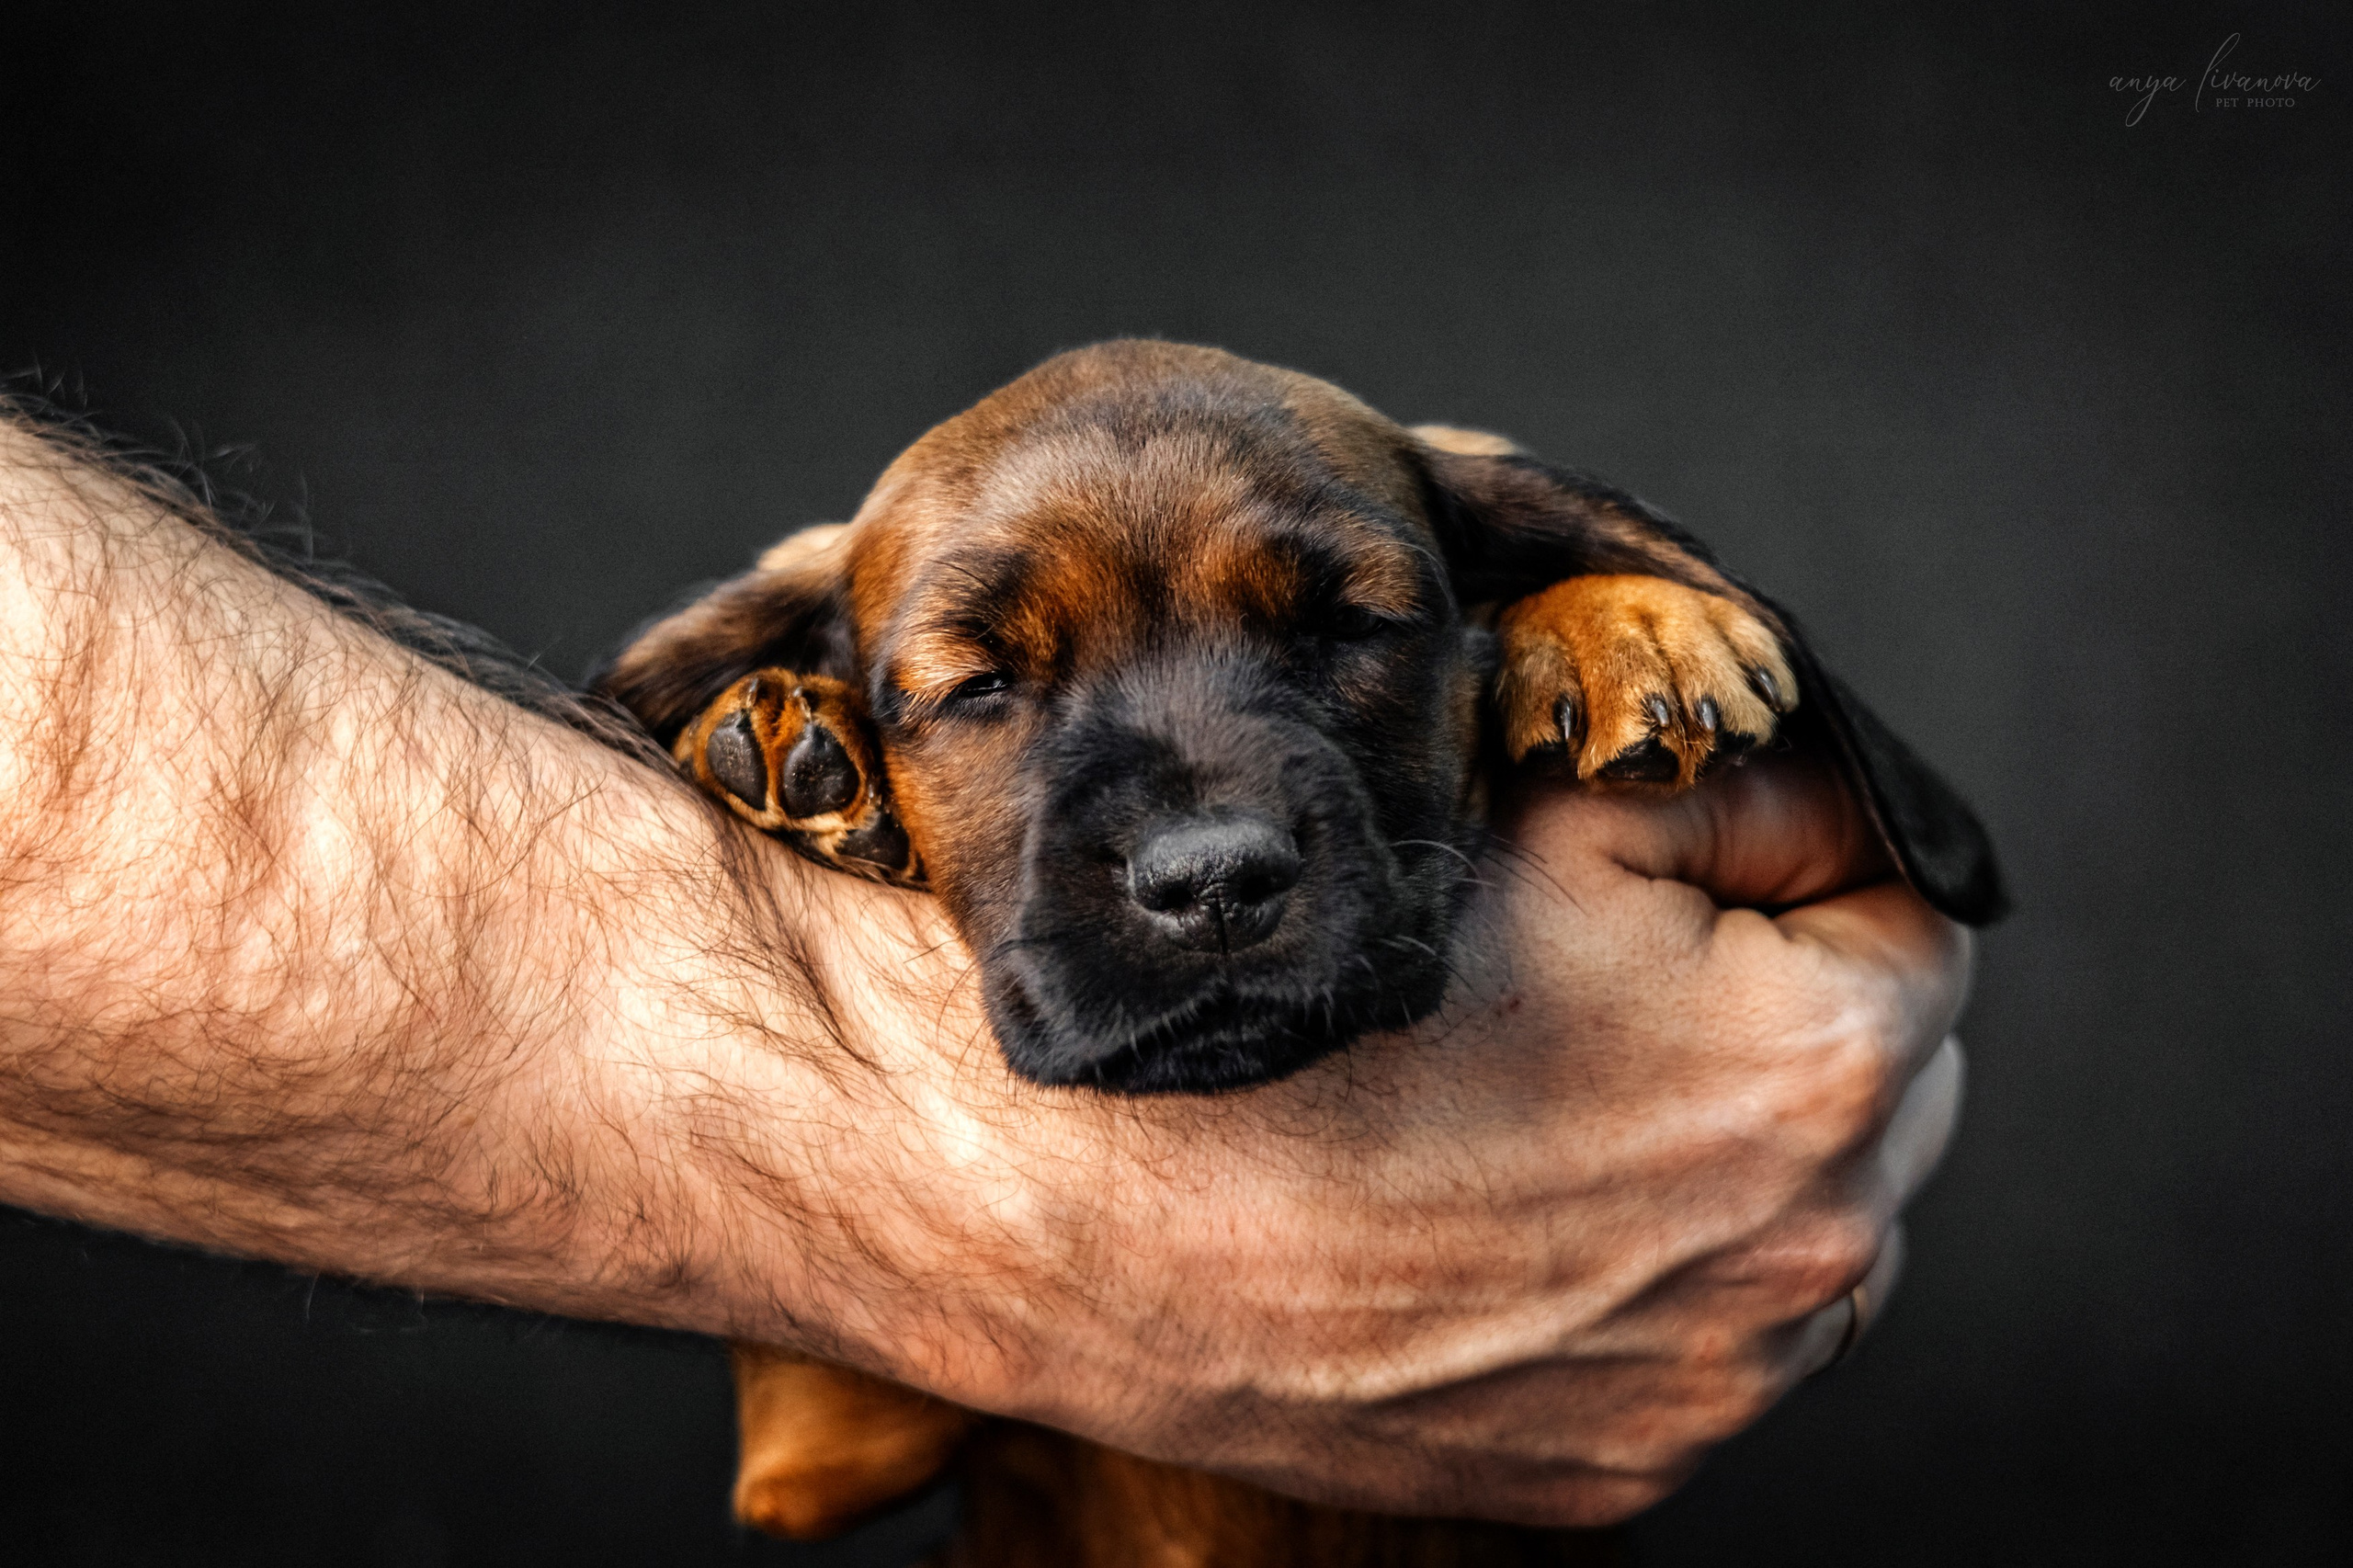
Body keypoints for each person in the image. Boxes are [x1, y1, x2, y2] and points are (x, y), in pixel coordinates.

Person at [0, 411, 1967, 1526]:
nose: (1199, 840)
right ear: (819, 699)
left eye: (1336, 624)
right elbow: (807, 1477)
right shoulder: (742, 764)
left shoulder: (1529, 607)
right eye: (979, 684)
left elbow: (1866, 849)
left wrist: (1608, 626)